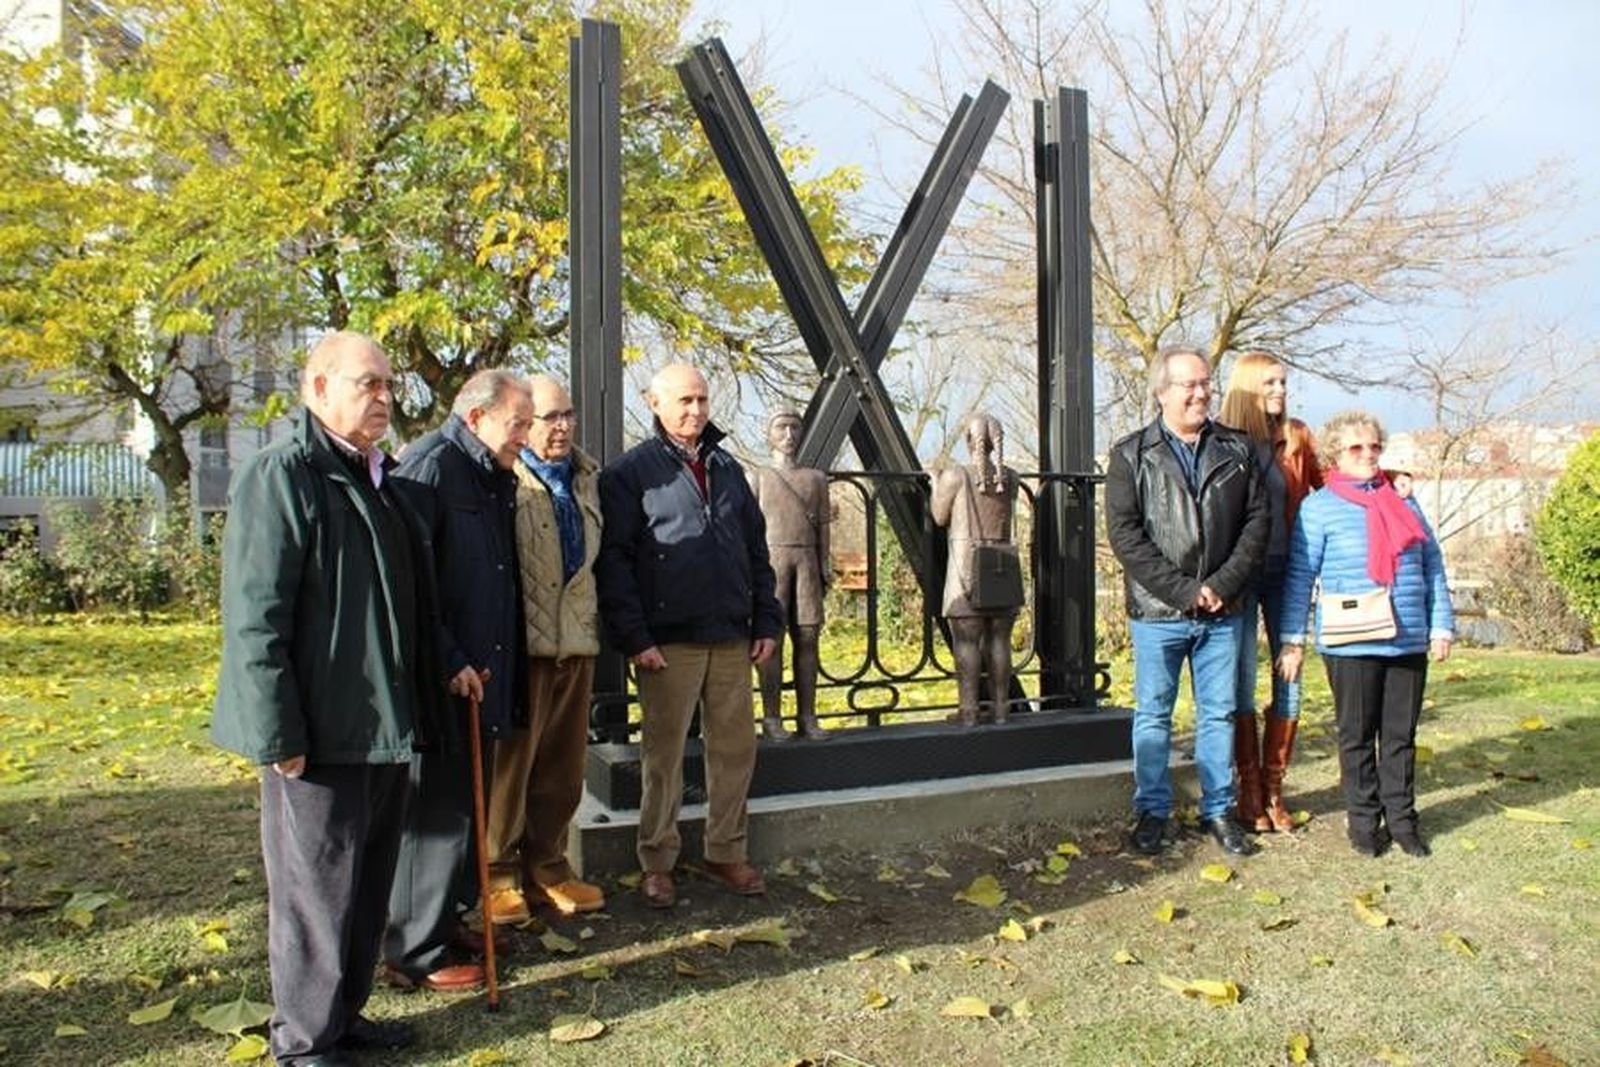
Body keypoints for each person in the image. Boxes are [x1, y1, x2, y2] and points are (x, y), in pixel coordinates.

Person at [212, 331, 442, 1065]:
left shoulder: (378, 479)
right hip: (317, 732)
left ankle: (344, 1016)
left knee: (366, 885)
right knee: (314, 894)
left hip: (383, 725)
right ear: (317, 389)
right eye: (367, 383)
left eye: (388, 385)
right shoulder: (281, 476)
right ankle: (306, 1041)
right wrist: (278, 733)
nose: (384, 397)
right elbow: (255, 618)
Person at [596, 363, 784, 909]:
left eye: (701, 399)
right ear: (654, 403)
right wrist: (635, 638)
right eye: (684, 400)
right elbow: (615, 563)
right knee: (663, 756)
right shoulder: (629, 473)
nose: (696, 410)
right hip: (667, 640)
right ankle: (657, 861)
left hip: (731, 634)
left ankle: (726, 851)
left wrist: (766, 621)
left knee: (735, 750)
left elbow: (756, 551)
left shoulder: (727, 467)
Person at [380, 369, 533, 994]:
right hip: (441, 678)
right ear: (476, 418)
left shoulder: (490, 473)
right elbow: (410, 583)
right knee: (434, 814)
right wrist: (448, 658)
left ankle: (446, 919)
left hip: (482, 672)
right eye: (517, 423)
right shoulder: (430, 466)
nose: (525, 436)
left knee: (467, 808)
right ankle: (414, 949)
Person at [1105, 346, 1269, 857]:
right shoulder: (1131, 455)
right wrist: (1182, 590)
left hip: (1223, 611)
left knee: (1218, 714)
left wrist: (1222, 584)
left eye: (1206, 383)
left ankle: (1218, 811)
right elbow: (1126, 536)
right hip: (1159, 614)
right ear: (1162, 392)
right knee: (1154, 716)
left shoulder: (1237, 450)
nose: (1201, 393)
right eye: (1190, 385)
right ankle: (1152, 811)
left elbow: (1256, 523)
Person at [1277, 411, 1453, 858]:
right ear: (1335, 454)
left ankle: (1403, 821)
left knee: (1400, 737)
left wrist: (1441, 624)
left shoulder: (1403, 499)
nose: (1368, 454)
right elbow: (1300, 575)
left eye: (1374, 446)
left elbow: (1431, 563)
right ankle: (1363, 822)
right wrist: (1292, 639)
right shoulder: (1318, 508)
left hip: (1408, 635)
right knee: (1355, 736)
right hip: (1350, 640)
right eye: (1356, 447)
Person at [484, 375, 608, 922]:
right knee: (512, 770)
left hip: (575, 643)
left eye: (568, 415)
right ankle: (497, 876)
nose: (562, 427)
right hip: (525, 648)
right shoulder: (507, 478)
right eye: (549, 417)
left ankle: (550, 868)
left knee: (563, 767)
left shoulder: (587, 479)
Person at [1217, 351, 1323, 832]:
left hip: (1287, 574)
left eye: (1283, 382)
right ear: (1247, 388)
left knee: (1290, 678)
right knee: (1240, 680)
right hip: (1239, 578)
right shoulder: (1223, 441)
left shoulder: (1296, 438)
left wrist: (1388, 479)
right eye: (1270, 383)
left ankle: (1275, 789)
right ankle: (1249, 792)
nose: (1281, 390)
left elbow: (1333, 488)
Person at [931, 412, 1023, 725]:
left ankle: (968, 710)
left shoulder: (956, 475)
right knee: (1000, 640)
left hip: (966, 566)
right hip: (1001, 566)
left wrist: (934, 480)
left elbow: (939, 516)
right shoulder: (1011, 478)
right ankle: (1001, 708)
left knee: (967, 641)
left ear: (969, 440)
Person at [749, 409, 833, 741]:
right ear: (769, 433)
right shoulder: (758, 477)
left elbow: (824, 526)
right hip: (772, 562)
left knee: (808, 637)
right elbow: (748, 530)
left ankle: (807, 716)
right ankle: (772, 718)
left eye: (795, 427)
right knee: (772, 638)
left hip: (807, 561)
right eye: (782, 427)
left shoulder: (816, 479)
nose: (789, 435)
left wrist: (824, 562)